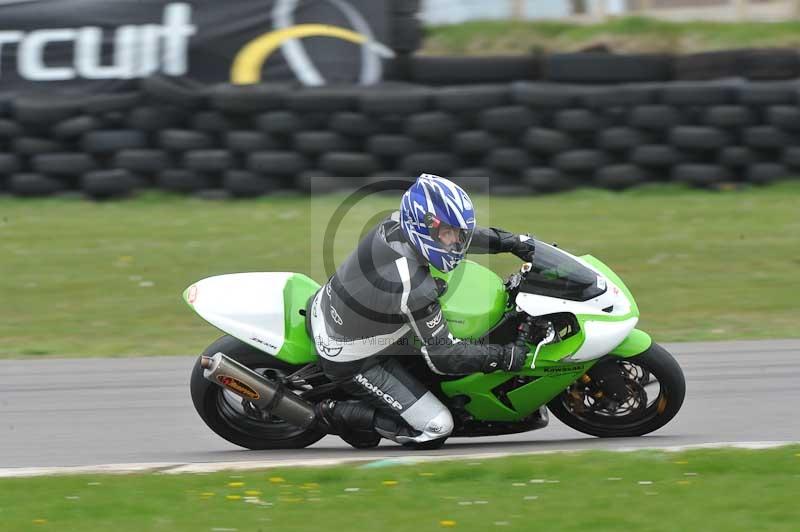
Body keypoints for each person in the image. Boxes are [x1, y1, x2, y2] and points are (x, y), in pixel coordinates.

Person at [310, 174, 537, 446]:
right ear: (424, 227)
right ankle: (330, 412)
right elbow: (445, 357)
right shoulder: (413, 286)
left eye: (456, 232)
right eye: (447, 234)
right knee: (438, 425)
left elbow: (462, 238)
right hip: (351, 356)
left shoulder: (396, 223)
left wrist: (510, 242)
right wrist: (505, 357)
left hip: (335, 306)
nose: (455, 242)